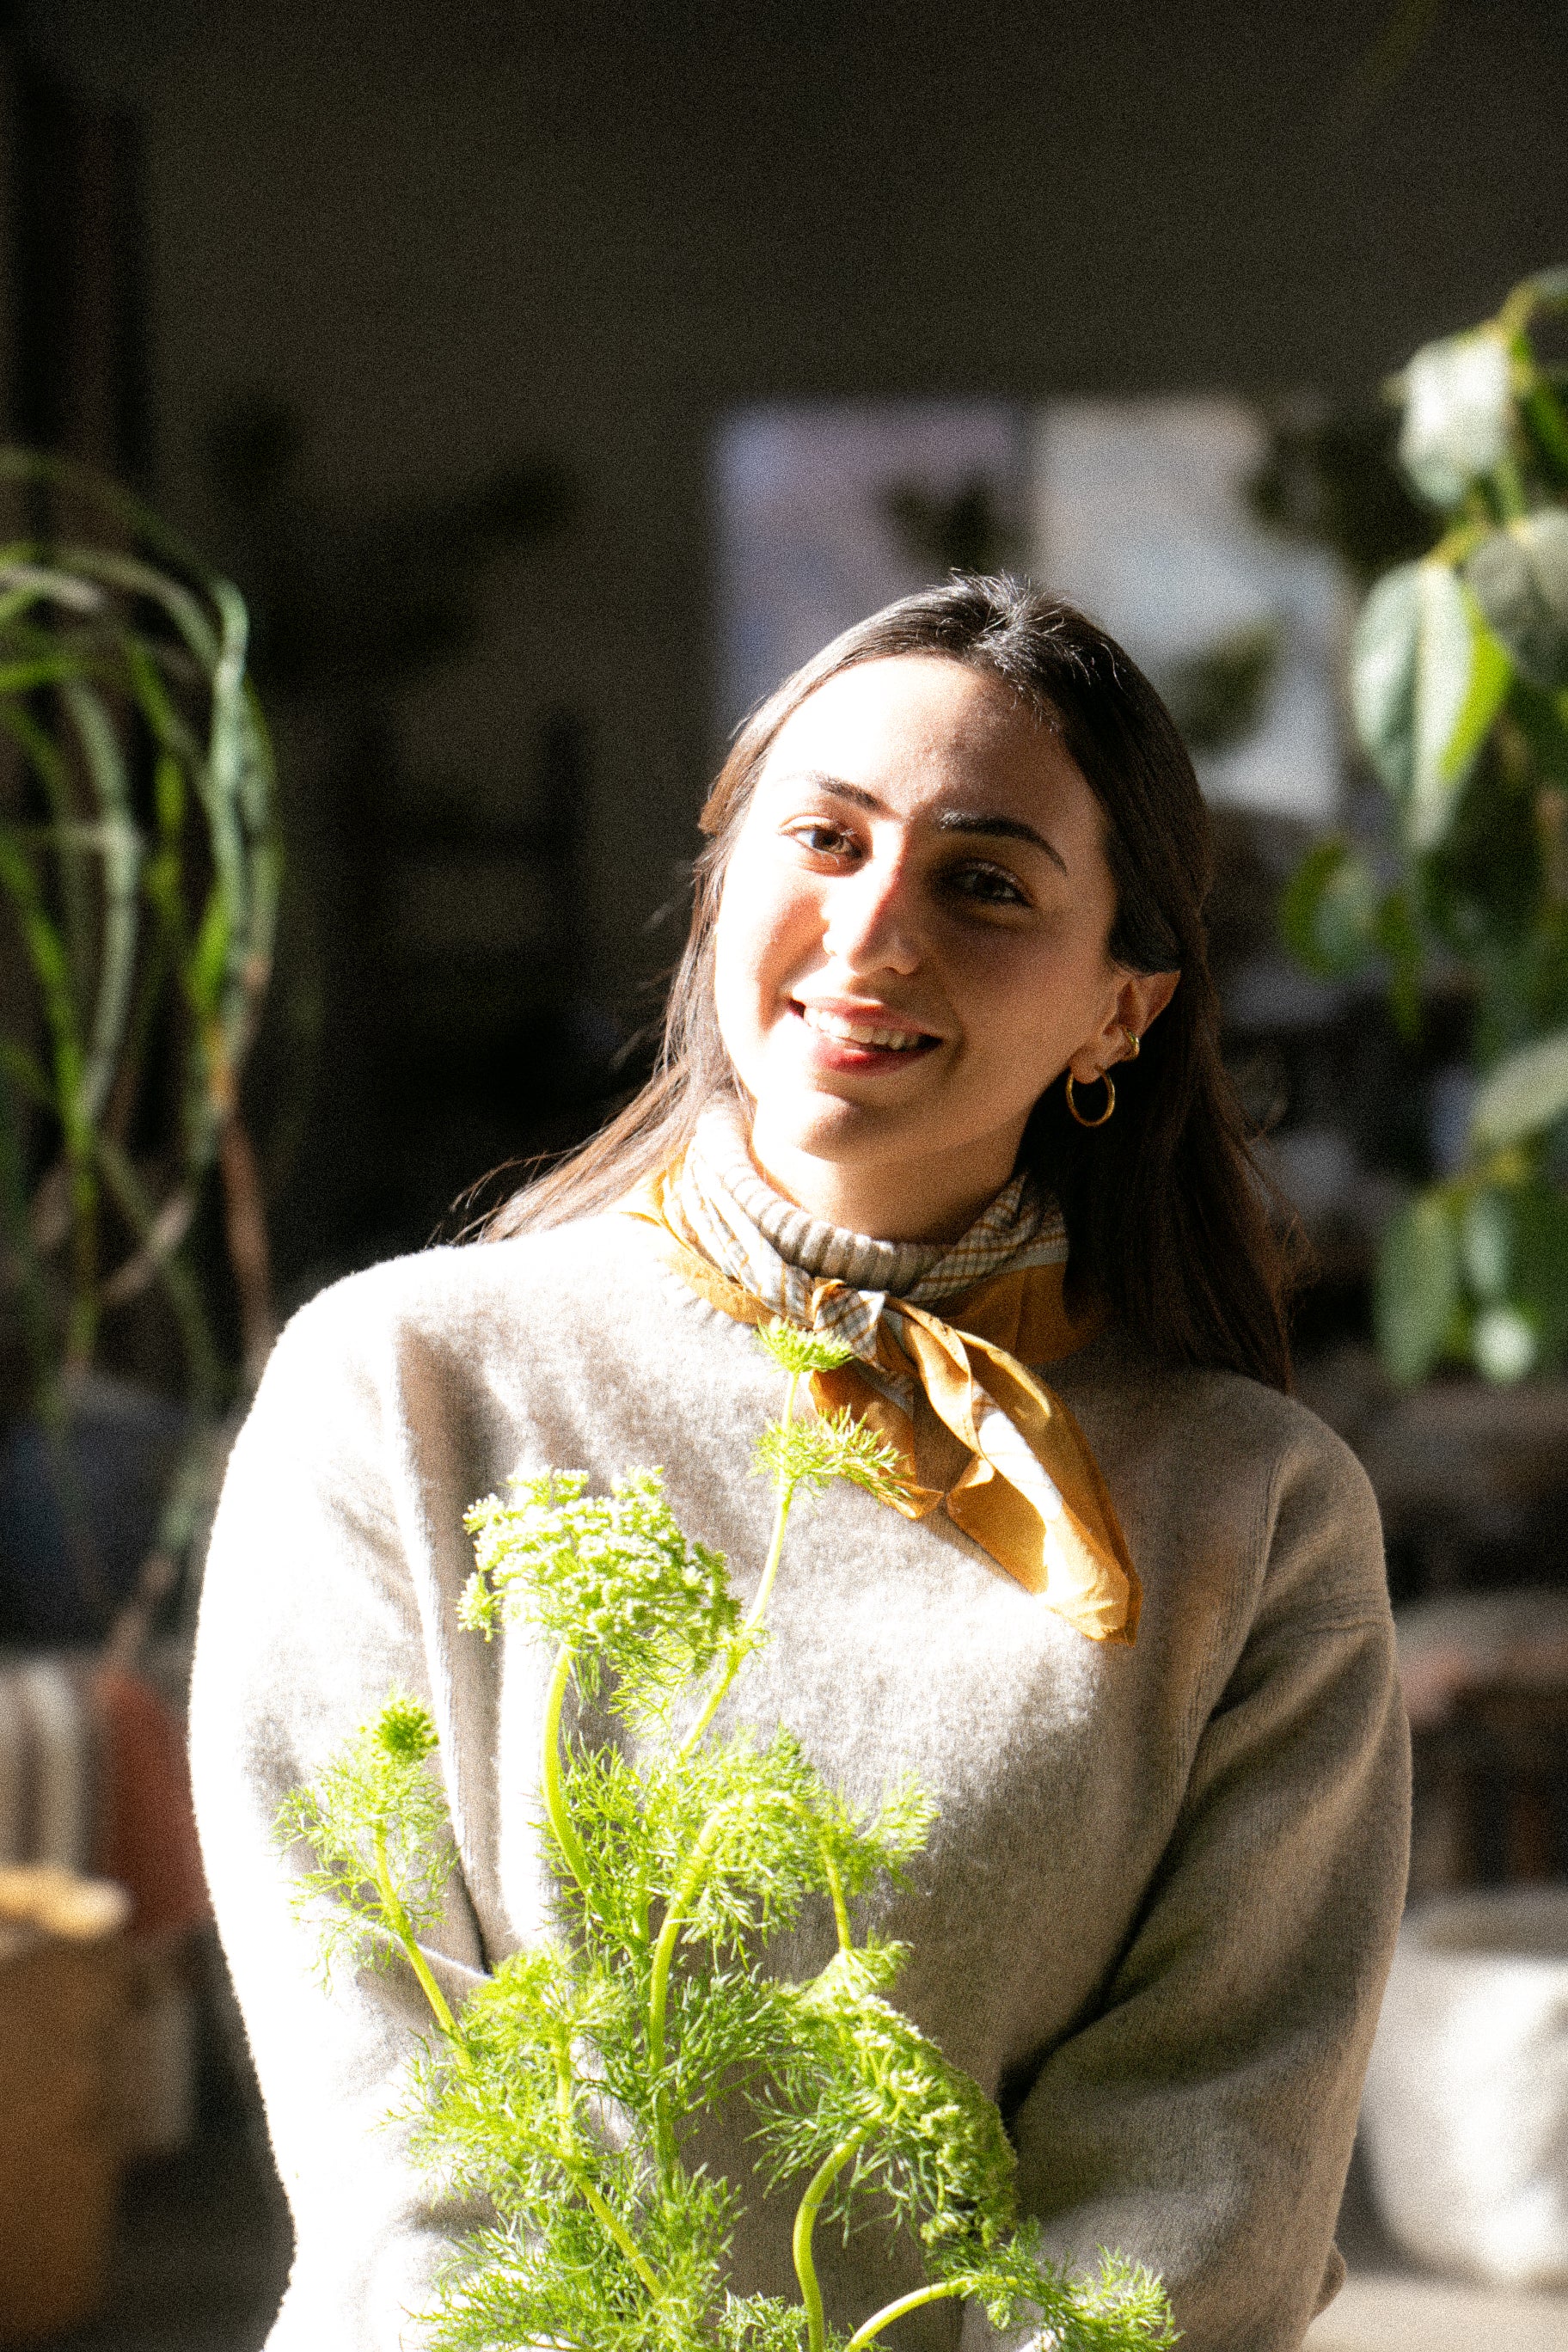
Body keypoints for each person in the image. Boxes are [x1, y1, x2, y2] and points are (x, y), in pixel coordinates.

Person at [191, 576, 1410, 2352]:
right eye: (821, 840)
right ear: (717, 892)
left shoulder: (1262, 1519)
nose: (876, 932)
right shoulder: (400, 1385)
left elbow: (1210, 2175)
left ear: (1121, 1012)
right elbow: (384, 2100)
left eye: (986, 882)